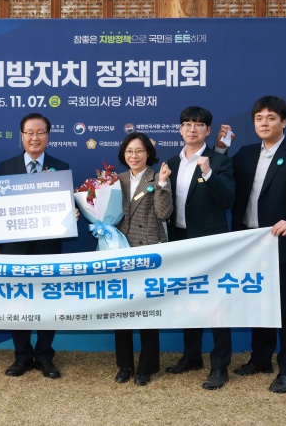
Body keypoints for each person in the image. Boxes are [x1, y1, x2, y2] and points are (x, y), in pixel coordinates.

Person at [230, 95, 286, 394]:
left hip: (282, 246)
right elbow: (223, 179)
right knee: (258, 304)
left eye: (271, 118)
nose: (264, 123)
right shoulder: (245, 154)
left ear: (284, 122)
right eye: (259, 118)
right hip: (250, 244)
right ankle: (260, 359)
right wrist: (219, 149)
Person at [164, 107, 235, 390]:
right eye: (187, 124)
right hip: (180, 240)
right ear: (180, 129)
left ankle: (219, 366)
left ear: (207, 130)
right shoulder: (172, 162)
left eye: (198, 125)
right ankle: (191, 356)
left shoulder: (219, 161)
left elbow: (227, 200)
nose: (192, 129)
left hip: (210, 243)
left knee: (216, 304)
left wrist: (208, 172)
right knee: (188, 300)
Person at [0, 113, 69, 379]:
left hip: (48, 248)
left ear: (48, 136)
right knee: (19, 303)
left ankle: (45, 356)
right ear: (21, 136)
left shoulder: (61, 167)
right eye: (29, 132)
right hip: (15, 249)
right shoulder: (6, 167)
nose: (34, 137)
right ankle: (22, 356)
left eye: (40, 132)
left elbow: (64, 207)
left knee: (47, 302)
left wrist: (70, 214)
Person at [112, 132, 173, 386]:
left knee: (147, 312)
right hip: (120, 252)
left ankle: (146, 367)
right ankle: (124, 365)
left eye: (139, 151)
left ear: (148, 153)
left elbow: (164, 213)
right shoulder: (115, 180)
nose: (134, 156)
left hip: (148, 253)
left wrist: (162, 185)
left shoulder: (158, 178)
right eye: (129, 151)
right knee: (121, 312)